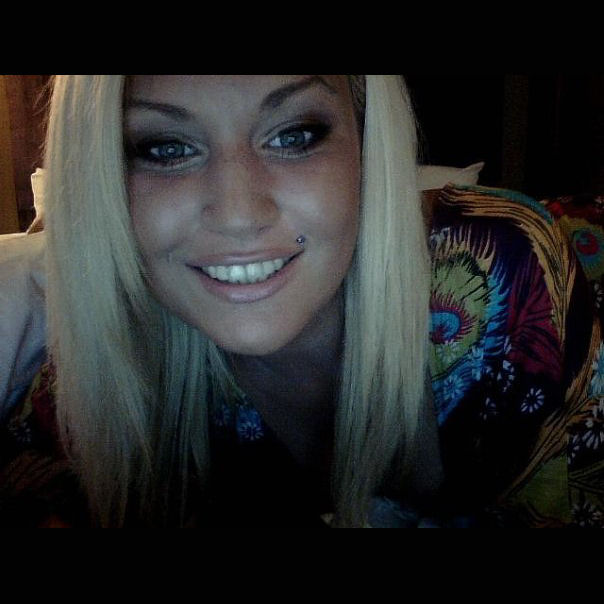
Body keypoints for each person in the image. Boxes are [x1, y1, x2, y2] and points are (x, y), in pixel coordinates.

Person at [0, 75, 602, 528]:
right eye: (165, 148)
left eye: (294, 135)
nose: (239, 214)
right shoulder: (99, 374)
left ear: (367, 140)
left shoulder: (508, 275)